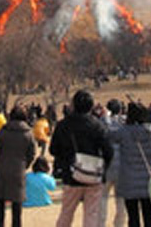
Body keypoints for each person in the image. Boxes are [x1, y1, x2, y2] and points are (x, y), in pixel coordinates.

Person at [50, 90, 113, 227]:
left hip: (71, 175)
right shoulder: (98, 125)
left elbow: (53, 150)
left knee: (66, 213)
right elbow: (109, 151)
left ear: (73, 105)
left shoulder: (63, 125)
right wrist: (103, 168)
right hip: (94, 176)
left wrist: (65, 161)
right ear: (91, 106)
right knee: (91, 214)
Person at [111, 102, 151, 227]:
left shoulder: (123, 132)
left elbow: (109, 137)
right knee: (149, 214)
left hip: (129, 179)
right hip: (148, 178)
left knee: (133, 216)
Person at [0, 104, 36, 227]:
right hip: (18, 170)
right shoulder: (28, 133)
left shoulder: (3, 131)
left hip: (1, 170)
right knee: (17, 210)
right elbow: (31, 154)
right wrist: (24, 165)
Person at [99, 99, 127, 227]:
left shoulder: (102, 123)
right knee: (121, 202)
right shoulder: (126, 122)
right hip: (122, 167)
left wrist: (105, 117)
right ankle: (119, 224)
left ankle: (100, 224)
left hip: (105, 167)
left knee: (102, 199)